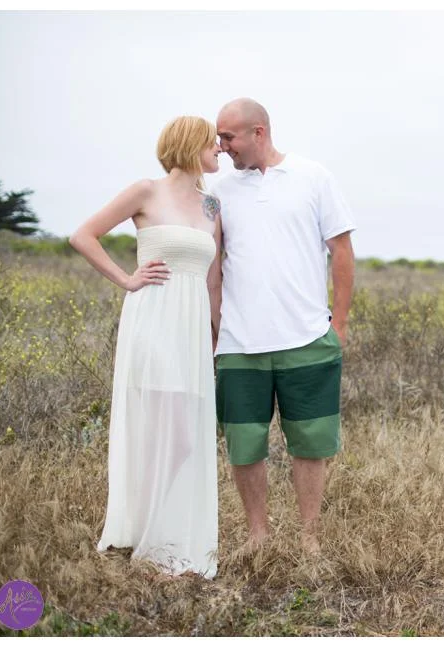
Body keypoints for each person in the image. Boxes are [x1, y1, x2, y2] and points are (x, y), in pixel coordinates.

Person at [69, 116, 223, 578]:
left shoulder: (213, 204)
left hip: (192, 326)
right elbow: (82, 236)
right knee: (166, 428)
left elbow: (213, 275)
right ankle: (148, 535)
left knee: (183, 434)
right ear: (190, 144)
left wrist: (216, 333)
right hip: (154, 319)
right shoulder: (146, 191)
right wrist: (126, 279)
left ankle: (152, 526)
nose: (220, 150)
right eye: (212, 143)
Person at [210, 98, 356, 556]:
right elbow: (212, 265)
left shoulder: (314, 177)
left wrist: (341, 323)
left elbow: (342, 251)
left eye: (228, 136)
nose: (221, 146)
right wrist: (213, 327)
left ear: (259, 132)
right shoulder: (219, 190)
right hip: (239, 340)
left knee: (310, 443)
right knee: (244, 443)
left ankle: (309, 537)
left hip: (307, 337)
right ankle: (258, 535)